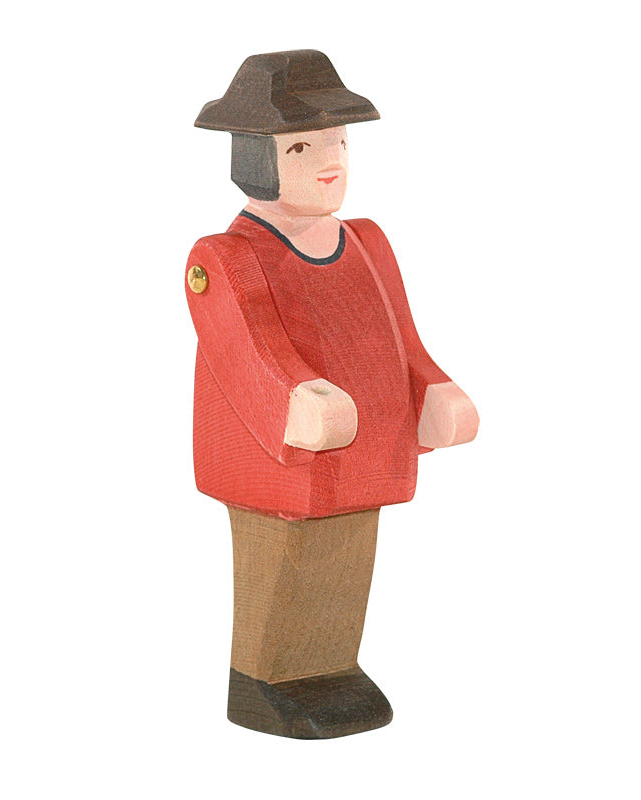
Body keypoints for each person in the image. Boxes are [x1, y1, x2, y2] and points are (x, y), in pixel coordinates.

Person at [185, 50, 478, 738]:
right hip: (278, 457)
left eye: (338, 142)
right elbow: (246, 351)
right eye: (302, 147)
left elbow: (402, 338)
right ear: (255, 157)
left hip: (367, 447)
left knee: (348, 563)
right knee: (285, 565)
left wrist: (433, 391)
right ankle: (264, 678)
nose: (330, 161)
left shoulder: (367, 241)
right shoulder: (225, 257)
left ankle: (332, 667)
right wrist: (298, 400)